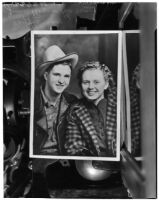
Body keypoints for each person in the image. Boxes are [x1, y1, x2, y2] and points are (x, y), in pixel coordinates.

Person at [64, 61, 117, 157]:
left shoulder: (117, 107)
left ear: (106, 84)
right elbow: (73, 146)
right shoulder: (75, 110)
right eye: (86, 82)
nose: (91, 87)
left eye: (96, 82)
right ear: (81, 85)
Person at [33, 45, 78, 155]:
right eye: (57, 74)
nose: (61, 81)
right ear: (46, 75)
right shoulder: (31, 102)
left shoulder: (73, 102)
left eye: (66, 76)